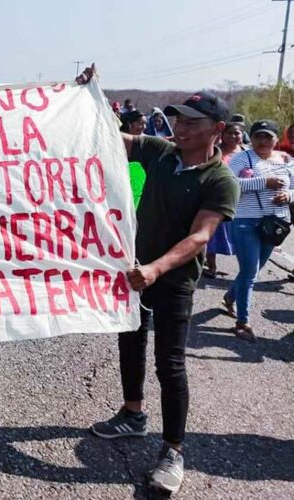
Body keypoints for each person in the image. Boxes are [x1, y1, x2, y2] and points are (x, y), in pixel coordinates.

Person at [78, 66, 240, 495]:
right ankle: (132, 414)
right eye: (178, 119)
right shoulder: (161, 152)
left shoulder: (221, 180)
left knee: (170, 365)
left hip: (172, 281)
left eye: (192, 122)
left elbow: (200, 236)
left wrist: (156, 268)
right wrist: (91, 98)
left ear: (217, 130)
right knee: (129, 340)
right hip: (136, 274)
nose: (181, 128)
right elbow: (117, 139)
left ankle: (173, 450)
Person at [222, 120, 293, 341]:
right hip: (246, 221)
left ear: (275, 139)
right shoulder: (241, 158)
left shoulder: (287, 159)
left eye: (268, 137)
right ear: (251, 138)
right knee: (250, 271)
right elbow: (230, 184)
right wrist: (264, 182)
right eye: (258, 136)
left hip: (275, 223)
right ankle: (243, 322)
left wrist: (289, 196)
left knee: (253, 270)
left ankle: (230, 296)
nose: (263, 141)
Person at [205, 122, 247, 278]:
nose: (233, 136)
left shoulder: (248, 153)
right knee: (212, 234)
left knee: (242, 238)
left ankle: (246, 270)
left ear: (243, 135)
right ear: (223, 135)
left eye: (237, 133)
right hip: (218, 199)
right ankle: (211, 267)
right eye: (230, 133)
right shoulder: (215, 152)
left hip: (243, 202)